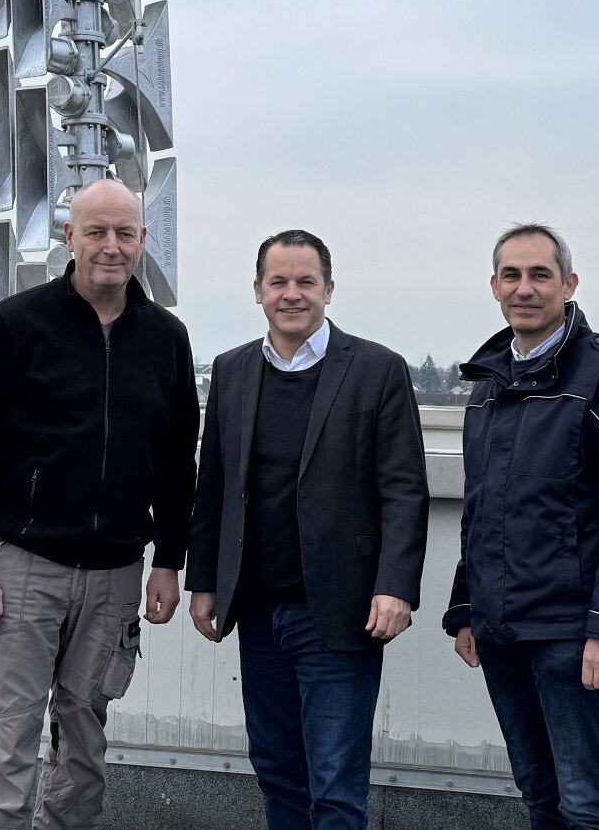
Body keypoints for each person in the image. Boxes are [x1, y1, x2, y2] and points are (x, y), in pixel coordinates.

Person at [0, 178, 200, 830]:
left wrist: (169, 559)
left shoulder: (167, 339)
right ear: (70, 238)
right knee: (5, 748)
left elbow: (177, 461)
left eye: (125, 233)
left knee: (82, 753)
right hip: (23, 570)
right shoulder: (18, 324)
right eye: (96, 231)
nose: (110, 246)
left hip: (116, 578)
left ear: (143, 241)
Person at [186, 229, 429, 830]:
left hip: (341, 614)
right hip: (258, 613)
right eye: (278, 282)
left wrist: (396, 585)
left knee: (336, 787)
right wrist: (205, 581)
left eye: (306, 282)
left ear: (329, 289)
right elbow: (213, 485)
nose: (291, 294)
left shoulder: (377, 370)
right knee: (276, 772)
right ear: (258, 291)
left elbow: (404, 490)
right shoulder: (232, 371)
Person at [443, 223, 599, 830]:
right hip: (501, 632)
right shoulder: (488, 388)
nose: (525, 288)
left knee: (589, 805)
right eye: (512, 275)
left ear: (569, 284)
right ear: (494, 285)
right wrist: (465, 605)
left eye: (540, 274)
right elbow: (484, 508)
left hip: (574, 637)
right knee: (540, 799)